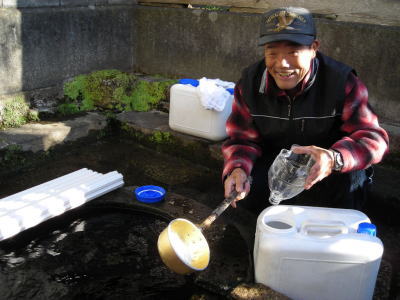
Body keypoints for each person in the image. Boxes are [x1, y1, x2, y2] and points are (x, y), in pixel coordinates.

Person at [222, 7, 389, 214]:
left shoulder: (341, 82)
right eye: (272, 52)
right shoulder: (248, 84)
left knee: (353, 182)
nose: (282, 64)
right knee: (246, 192)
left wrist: (334, 158)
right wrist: (237, 168)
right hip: (278, 164)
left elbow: (373, 138)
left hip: (331, 165)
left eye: (294, 52)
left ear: (313, 48)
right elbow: (241, 139)